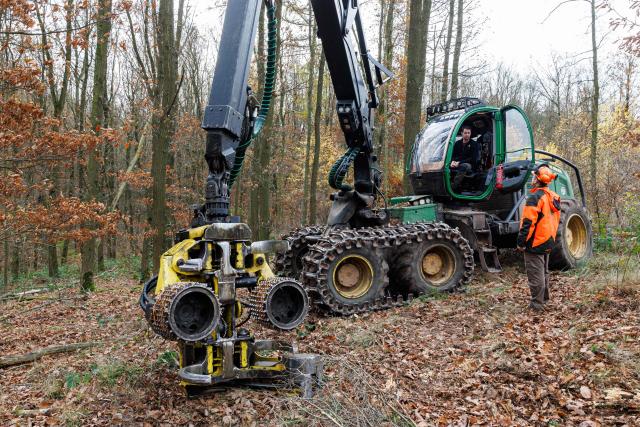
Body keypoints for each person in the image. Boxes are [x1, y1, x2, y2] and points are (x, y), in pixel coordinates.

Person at [517, 165, 562, 311]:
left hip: (535, 241)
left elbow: (528, 223)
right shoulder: (552, 196)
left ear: (537, 179)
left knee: (535, 273)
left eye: (534, 176)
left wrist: (521, 242)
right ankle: (544, 299)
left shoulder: (535, 197)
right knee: (543, 271)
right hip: (548, 239)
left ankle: (537, 304)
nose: (532, 179)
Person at [450, 125, 480, 190]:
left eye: (468, 133)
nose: (467, 134)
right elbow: (453, 155)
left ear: (470, 133)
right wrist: (452, 161)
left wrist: (459, 162)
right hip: (457, 162)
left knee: (464, 166)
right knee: (446, 165)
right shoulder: (457, 143)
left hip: (469, 164)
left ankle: (453, 187)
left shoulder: (474, 144)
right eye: (465, 133)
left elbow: (473, 158)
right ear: (462, 133)